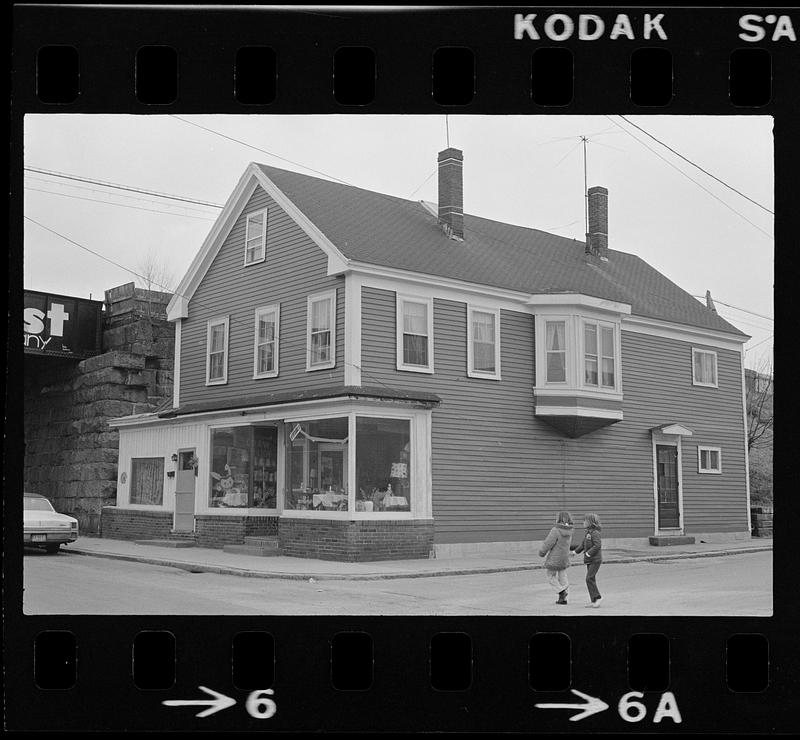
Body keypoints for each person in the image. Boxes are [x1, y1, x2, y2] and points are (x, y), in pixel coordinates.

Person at [538, 511, 575, 605]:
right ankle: (564, 598)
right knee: (563, 576)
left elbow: (548, 543)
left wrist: (542, 552)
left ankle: (561, 591)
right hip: (564, 557)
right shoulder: (570, 530)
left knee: (550, 576)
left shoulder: (556, 530)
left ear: (559, 519)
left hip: (555, 557)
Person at [571, 512, 603, 607]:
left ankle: (597, 598)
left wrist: (589, 553)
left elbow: (597, 545)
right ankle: (594, 600)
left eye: (585, 521)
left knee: (589, 578)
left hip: (595, 560)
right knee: (590, 579)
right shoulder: (588, 533)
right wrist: (575, 552)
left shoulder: (595, 533)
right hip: (590, 560)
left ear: (590, 522)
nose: (583, 522)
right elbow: (582, 544)